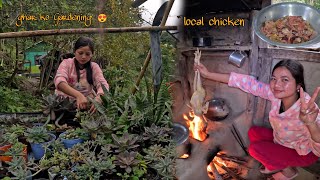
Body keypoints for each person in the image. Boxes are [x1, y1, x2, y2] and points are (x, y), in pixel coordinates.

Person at [195, 59, 320, 180]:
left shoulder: (307, 109)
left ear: (298, 85)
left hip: (304, 152)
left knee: (254, 150)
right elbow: (247, 83)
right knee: (254, 133)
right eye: (274, 79)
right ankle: (284, 166)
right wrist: (208, 74)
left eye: (285, 80)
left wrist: (311, 123)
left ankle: (286, 171)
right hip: (285, 140)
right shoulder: (276, 94)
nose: (276, 85)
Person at [54, 37, 109, 114]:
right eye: (80, 53)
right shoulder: (66, 63)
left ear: (92, 54)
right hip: (63, 104)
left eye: (87, 54)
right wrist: (78, 95)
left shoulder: (94, 67)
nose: (83, 57)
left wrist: (99, 98)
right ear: (75, 51)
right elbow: (59, 82)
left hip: (86, 105)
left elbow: (103, 84)